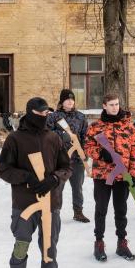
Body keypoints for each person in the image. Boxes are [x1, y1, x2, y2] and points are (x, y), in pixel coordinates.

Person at [0, 97, 74, 268]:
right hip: (24, 206)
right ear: (29, 112)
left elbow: (66, 167)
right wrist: (27, 178)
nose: (44, 117)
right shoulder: (15, 139)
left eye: (46, 114)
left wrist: (55, 179)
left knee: (49, 251)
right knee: (21, 248)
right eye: (40, 114)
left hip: (50, 206)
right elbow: (3, 170)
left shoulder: (53, 137)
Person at [84, 94, 135, 262]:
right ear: (104, 106)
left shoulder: (129, 127)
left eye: (117, 104)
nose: (115, 107)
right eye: (111, 104)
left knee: (121, 210)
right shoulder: (95, 127)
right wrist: (100, 153)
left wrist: (134, 173)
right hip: (102, 175)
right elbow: (87, 146)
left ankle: (121, 243)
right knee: (101, 209)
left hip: (123, 176)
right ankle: (99, 242)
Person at [46, 89, 90, 223]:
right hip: (60, 159)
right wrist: (62, 136)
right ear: (62, 101)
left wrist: (85, 152)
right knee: (58, 187)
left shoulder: (81, 117)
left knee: (78, 187)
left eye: (72, 99)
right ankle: (55, 212)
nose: (70, 101)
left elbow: (85, 136)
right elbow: (46, 134)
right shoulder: (54, 117)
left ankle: (78, 212)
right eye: (67, 99)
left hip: (77, 159)